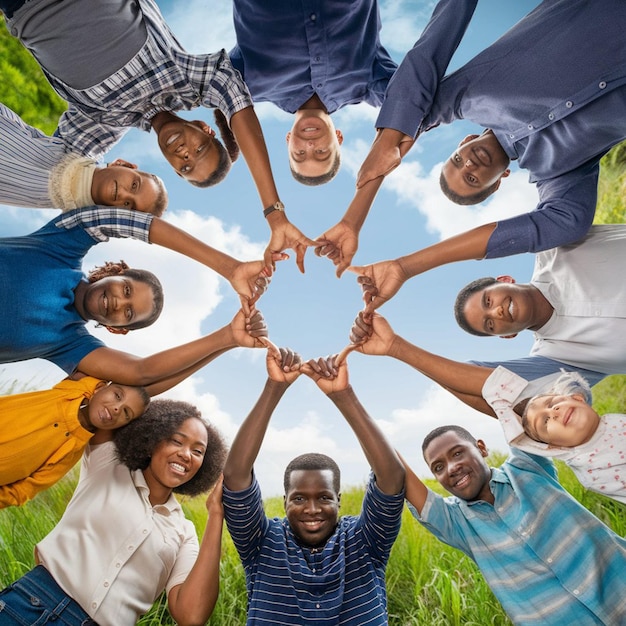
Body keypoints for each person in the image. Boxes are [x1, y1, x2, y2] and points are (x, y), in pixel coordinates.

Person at [317, 0, 626, 276]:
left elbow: (417, 88)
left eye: (457, 160)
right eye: (474, 180)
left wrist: (353, 217)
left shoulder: (468, 95)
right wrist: (405, 266)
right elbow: (566, 224)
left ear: (464, 140)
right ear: (500, 180)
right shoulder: (559, 174)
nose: (469, 165)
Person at [1, 0, 316, 270]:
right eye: (200, 149)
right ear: (204, 128)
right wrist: (274, 212)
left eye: (185, 167)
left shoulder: (102, 124)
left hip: (22, 6)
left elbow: (61, 185)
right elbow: (237, 104)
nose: (185, 154)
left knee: (58, 191)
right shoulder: (187, 78)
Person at [0, 307, 267, 508]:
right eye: (116, 395)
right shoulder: (75, 388)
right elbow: (144, 378)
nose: (117, 409)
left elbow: (23, 491)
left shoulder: (72, 450)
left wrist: (227, 344)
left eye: (125, 413)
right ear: (102, 386)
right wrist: (224, 340)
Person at [349, 311, 626, 504]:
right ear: (551, 448)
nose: (553, 412)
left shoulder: (601, 416)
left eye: (553, 404)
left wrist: (397, 347)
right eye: (545, 423)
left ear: (575, 398)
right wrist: (396, 348)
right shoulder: (585, 464)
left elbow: (503, 394)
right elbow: (497, 395)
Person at [0, 398, 228, 626]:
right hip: (29, 604)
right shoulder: (108, 463)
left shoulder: (184, 532)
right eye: (176, 440)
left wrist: (216, 515)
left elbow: (191, 616)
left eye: (198, 451)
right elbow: (120, 392)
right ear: (153, 437)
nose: (186, 454)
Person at [222, 344, 405, 625]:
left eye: (323, 497)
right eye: (298, 498)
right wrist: (274, 388)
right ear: (284, 501)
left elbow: (391, 478)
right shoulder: (261, 542)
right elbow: (235, 476)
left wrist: (343, 396)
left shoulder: (365, 541)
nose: (311, 508)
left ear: (339, 500)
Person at [0, 204, 277, 384]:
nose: (119, 302)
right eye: (127, 289)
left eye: (128, 313)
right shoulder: (59, 248)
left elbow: (141, 372)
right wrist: (230, 268)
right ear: (113, 271)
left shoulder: (71, 345)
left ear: (118, 329)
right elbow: (133, 223)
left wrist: (226, 337)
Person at [402, 424, 626, 625]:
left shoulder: (526, 467)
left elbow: (517, 407)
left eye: (457, 453)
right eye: (438, 467)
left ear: (481, 448)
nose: (451, 468)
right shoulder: (455, 522)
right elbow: (394, 472)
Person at [229, 0, 396, 186]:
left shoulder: (244, 86)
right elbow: (417, 98)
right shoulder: (369, 84)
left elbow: (202, 84)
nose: (310, 146)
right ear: (338, 138)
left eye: (299, 154)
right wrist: (385, 145)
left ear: (288, 139)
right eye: (322, 152)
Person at [0, 102, 168, 214]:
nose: (123, 195)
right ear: (123, 164)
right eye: (134, 185)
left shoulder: (73, 218)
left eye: (128, 206)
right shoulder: (82, 147)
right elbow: (119, 101)